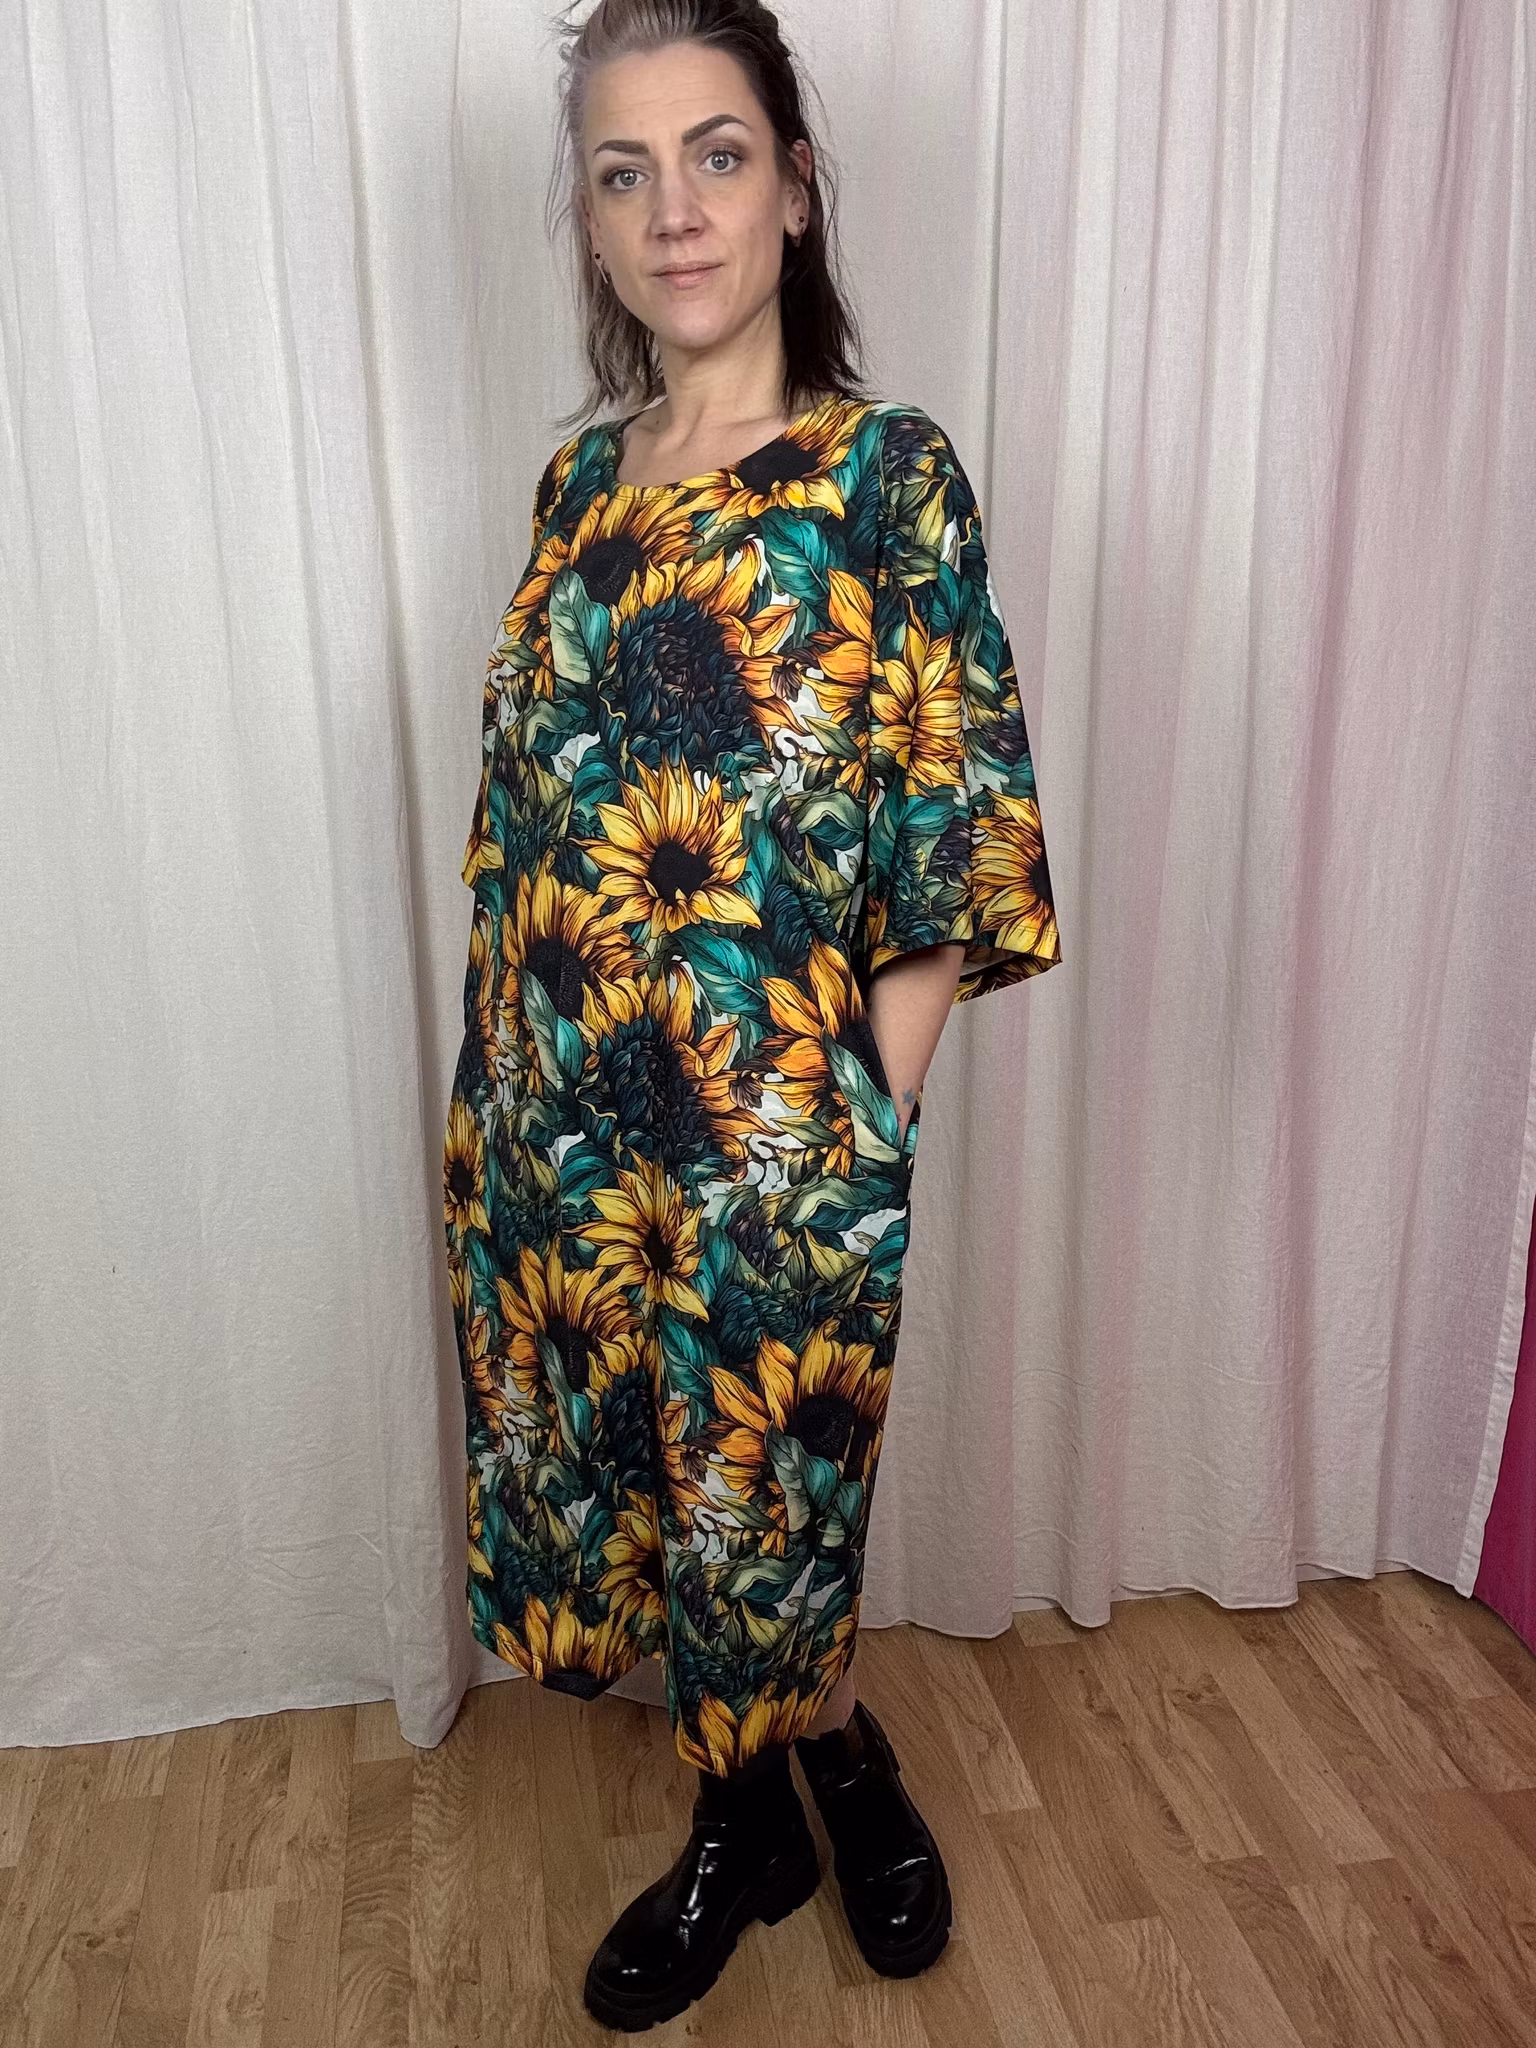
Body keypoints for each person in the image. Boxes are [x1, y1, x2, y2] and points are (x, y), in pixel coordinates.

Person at [443, 0, 1062, 2029]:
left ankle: (795, 1798)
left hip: (777, 1149)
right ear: (591, 220)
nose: (673, 212)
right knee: (654, 1504)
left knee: (763, 1508)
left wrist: (850, 1128)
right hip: (563, 1132)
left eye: (715, 156)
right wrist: (506, 1113)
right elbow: (539, 825)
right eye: (622, 173)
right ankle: (781, 1808)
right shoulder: (573, 486)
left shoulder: (888, 481)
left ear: (795, 188)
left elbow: (952, 841)